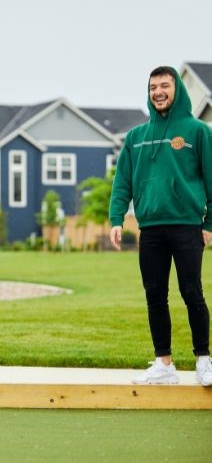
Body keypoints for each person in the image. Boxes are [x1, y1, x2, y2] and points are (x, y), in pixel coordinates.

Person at [109, 66, 212, 386]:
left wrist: (209, 223)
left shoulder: (198, 131)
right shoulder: (136, 137)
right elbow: (122, 180)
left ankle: (204, 360)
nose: (158, 92)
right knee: (155, 294)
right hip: (150, 228)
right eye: (153, 87)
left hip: (187, 226)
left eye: (164, 86)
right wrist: (116, 218)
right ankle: (164, 363)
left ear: (176, 89)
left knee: (192, 291)